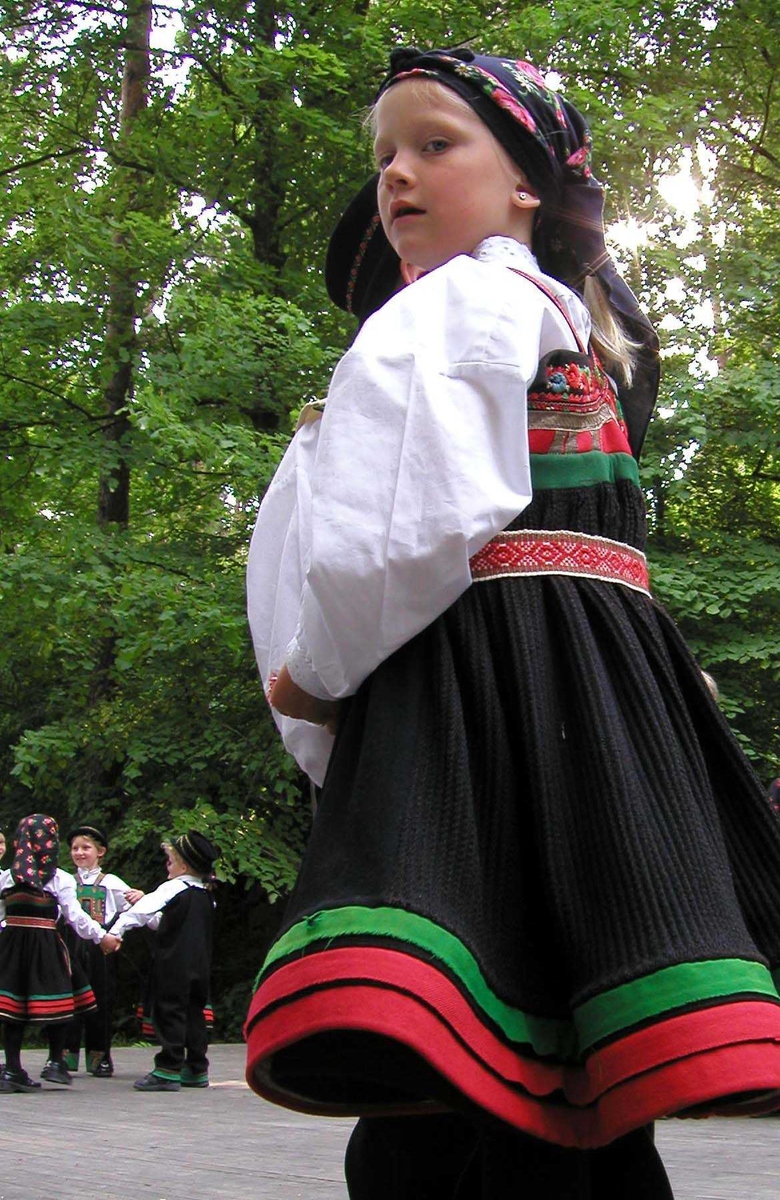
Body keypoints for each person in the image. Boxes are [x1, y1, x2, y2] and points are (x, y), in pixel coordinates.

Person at [244, 47, 780, 1197]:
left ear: (526, 182)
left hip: (480, 717)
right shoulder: (563, 325)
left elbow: (397, 526)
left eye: (435, 144)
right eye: (384, 154)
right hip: (585, 713)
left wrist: (315, 678)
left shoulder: (460, 302)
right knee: (554, 1072)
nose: (396, 174)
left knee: (460, 1068)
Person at [0, 814, 120, 1093]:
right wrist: (102, 936)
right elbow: (75, 917)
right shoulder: (59, 879)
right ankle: (55, 1062)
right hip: (46, 949)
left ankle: (13, 1068)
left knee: (12, 1008)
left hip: (12, 949)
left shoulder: (8, 878)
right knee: (61, 1001)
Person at [110, 831, 219, 1092]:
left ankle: (169, 1067)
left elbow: (140, 911)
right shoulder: (206, 895)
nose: (166, 866)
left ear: (184, 866)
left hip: (173, 963)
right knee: (194, 1012)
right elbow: (165, 921)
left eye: (170, 861)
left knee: (169, 1010)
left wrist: (116, 931)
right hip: (200, 964)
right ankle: (196, 1068)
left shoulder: (173, 888)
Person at [62, 822, 144, 1077]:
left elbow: (132, 909)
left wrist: (115, 932)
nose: (79, 853)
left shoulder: (111, 882)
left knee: (101, 998)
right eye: (75, 848)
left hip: (100, 948)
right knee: (68, 996)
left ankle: (99, 1055)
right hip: (70, 943)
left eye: (86, 847)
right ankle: (65, 1054)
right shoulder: (64, 881)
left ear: (101, 852)